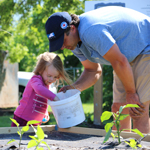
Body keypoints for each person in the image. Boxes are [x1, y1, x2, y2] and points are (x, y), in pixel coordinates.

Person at [45, 6, 150, 133]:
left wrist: (131, 93)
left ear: (72, 29)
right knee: (118, 108)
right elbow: (93, 70)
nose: (62, 47)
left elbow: (119, 61)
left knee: (137, 110)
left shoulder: (90, 31)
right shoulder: (75, 44)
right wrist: (73, 88)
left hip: (146, 46)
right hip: (127, 56)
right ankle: (122, 146)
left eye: (62, 40)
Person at [11, 52, 71, 127]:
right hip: (22, 119)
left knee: (33, 138)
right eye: (49, 76)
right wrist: (54, 97)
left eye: (55, 77)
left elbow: (42, 100)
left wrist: (44, 113)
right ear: (40, 70)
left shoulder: (46, 85)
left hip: (35, 122)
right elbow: (39, 90)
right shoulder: (35, 79)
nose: (52, 79)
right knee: (19, 138)